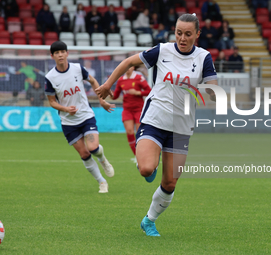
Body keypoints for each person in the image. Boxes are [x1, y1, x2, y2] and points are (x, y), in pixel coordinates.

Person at [96, 13, 218, 236]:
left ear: (197, 34)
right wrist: (107, 85)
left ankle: (149, 220)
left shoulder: (203, 57)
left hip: (181, 127)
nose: (182, 38)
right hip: (155, 119)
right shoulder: (162, 51)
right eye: (179, 33)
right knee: (146, 169)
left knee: (170, 183)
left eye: (188, 34)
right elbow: (128, 62)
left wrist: (214, 93)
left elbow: (212, 84)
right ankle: (150, 158)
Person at [45, 41, 115, 193]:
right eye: (57, 53)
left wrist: (101, 100)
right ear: (52, 56)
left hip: (86, 116)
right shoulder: (50, 77)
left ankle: (103, 159)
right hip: (68, 122)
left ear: (67, 53)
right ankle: (102, 182)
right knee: (84, 154)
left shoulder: (77, 68)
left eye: (62, 51)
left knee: (93, 148)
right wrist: (65, 108)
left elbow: (93, 81)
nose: (60, 55)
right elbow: (51, 101)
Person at [112, 66, 151, 159]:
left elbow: (149, 91)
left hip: (139, 109)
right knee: (129, 131)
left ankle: (143, 154)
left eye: (130, 67)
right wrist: (109, 93)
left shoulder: (139, 78)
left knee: (139, 133)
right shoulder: (121, 80)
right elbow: (115, 96)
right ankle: (137, 156)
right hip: (127, 109)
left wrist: (138, 93)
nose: (128, 68)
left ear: (133, 68)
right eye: (127, 67)